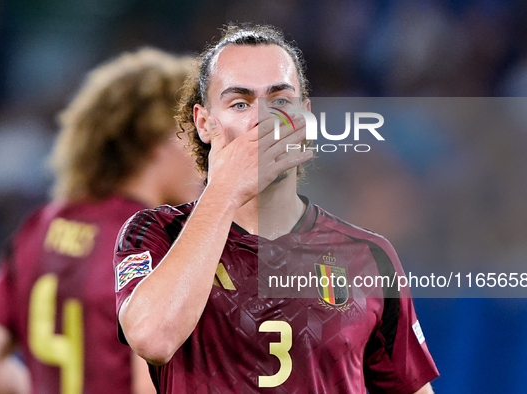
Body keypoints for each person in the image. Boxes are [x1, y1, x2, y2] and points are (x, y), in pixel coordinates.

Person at [115, 24, 439, 393]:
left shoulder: (368, 256)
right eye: (240, 103)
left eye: (280, 101)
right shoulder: (155, 233)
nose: (263, 120)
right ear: (204, 123)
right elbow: (152, 340)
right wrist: (225, 190)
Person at [0, 47, 200, 394]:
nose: (203, 155)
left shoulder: (40, 226)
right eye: (194, 134)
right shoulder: (156, 242)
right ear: (157, 142)